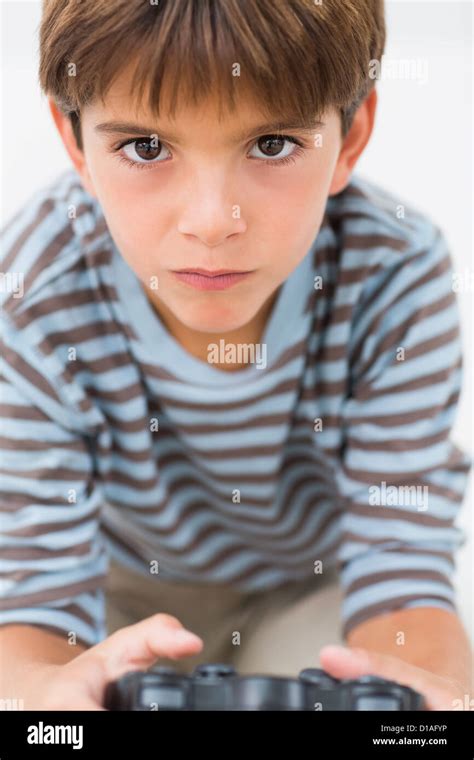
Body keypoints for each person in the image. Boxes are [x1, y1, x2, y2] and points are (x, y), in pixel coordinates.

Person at [0, 0, 472, 710]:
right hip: (115, 589)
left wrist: (430, 702)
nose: (212, 222)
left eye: (273, 144)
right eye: (147, 148)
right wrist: (45, 696)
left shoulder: (393, 275)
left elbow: (400, 561)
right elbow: (36, 593)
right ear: (75, 144)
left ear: (350, 137)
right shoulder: (32, 293)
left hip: (304, 589)